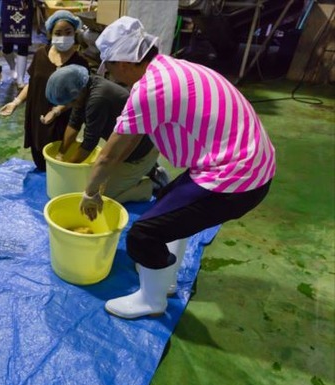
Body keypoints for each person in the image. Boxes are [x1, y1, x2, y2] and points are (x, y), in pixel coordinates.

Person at [80, 17, 275, 319]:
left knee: (142, 235)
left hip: (237, 178)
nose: (112, 75)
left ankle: (151, 300)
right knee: (168, 200)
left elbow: (108, 155)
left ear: (124, 62)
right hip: (249, 161)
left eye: (111, 66)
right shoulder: (171, 67)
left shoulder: (148, 90)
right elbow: (130, 141)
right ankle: (165, 276)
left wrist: (90, 192)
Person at [45, 64, 170, 203]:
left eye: (70, 102)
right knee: (99, 180)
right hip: (129, 145)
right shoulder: (85, 88)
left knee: (103, 196)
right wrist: (61, 153)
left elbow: (89, 143)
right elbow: (74, 124)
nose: (69, 106)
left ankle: (151, 185)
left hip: (141, 151)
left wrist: (67, 168)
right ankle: (149, 170)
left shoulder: (98, 99)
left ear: (76, 93)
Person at [0, 10, 88, 172]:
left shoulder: (79, 62)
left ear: (75, 32)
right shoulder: (41, 54)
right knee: (39, 157)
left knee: (58, 158)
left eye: (68, 32)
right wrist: (15, 102)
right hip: (37, 112)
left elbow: (79, 97)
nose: (63, 37)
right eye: (58, 33)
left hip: (63, 117)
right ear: (50, 34)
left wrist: (57, 111)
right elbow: (32, 84)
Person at [0, 0, 33, 88]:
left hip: (25, 6)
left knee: (23, 43)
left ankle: (20, 78)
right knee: (6, 45)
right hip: (8, 5)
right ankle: (12, 66)